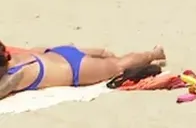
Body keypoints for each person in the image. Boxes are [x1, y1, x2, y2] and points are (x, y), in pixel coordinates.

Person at [1, 40, 166, 98]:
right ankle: (147, 57)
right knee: (109, 58)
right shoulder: (14, 56)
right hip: (56, 53)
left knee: (118, 66)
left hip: (75, 68)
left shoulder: (15, 76)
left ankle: (154, 54)